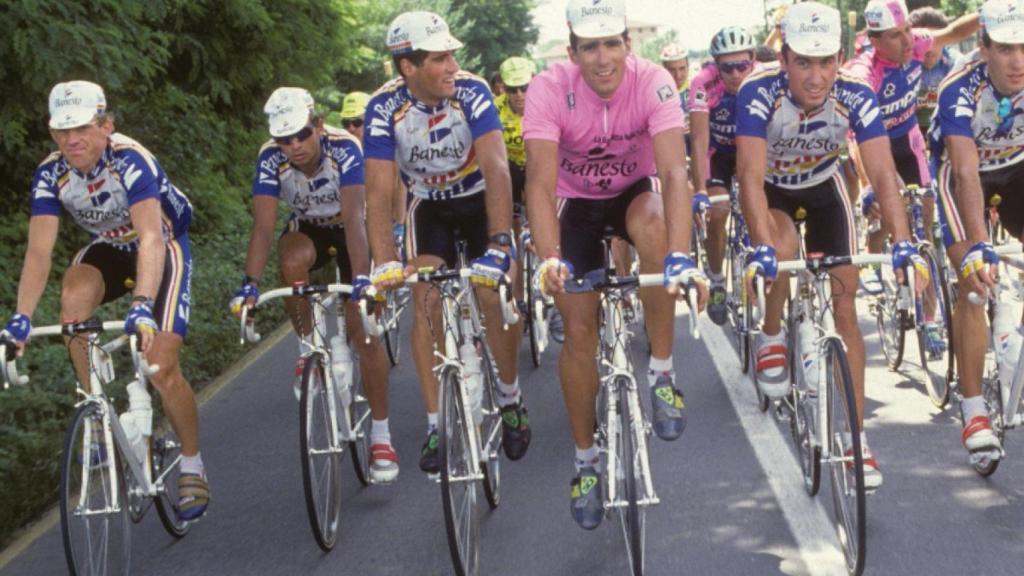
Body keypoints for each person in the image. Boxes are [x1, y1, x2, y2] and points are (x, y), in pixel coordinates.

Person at [524, 0, 707, 530]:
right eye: (590, 47)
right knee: (578, 335)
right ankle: (585, 462)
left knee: (656, 231)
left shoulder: (653, 82)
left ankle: (663, 373)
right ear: (572, 50)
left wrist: (680, 257)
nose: (603, 59)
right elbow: (538, 182)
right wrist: (548, 256)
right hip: (573, 203)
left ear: (628, 44)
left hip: (634, 192)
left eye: (612, 44)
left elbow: (675, 174)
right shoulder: (548, 88)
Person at [735, 2, 927, 491]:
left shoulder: (857, 93)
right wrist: (759, 249)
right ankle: (773, 333)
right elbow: (750, 178)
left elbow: (883, 173)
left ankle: (857, 440)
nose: (815, 77)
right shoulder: (757, 92)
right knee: (777, 251)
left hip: (824, 187)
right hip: (773, 190)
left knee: (846, 302)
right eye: (803, 62)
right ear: (785, 60)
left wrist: (903, 244)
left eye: (825, 62)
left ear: (840, 58)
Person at [0, 81, 209, 519]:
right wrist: (20, 317)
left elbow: (151, 236)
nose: (70, 140)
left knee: (160, 365)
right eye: (61, 130)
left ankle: (192, 462)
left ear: (105, 125)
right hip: (110, 248)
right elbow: (39, 251)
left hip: (162, 245)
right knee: (73, 296)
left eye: (80, 128)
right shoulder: (51, 173)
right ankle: (95, 412)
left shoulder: (130, 160)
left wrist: (141, 304)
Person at [363, 11, 531, 474]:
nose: (453, 65)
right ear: (408, 68)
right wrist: (382, 262)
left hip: (481, 201)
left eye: (453, 55)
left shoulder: (473, 91)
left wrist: (500, 243)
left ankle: (511, 396)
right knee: (428, 301)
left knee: (492, 293)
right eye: (440, 58)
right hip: (429, 207)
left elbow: (498, 168)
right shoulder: (383, 109)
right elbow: (377, 192)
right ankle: (437, 422)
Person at [230, 87, 398, 483]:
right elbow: (264, 227)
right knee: (289, 259)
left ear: (318, 125)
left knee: (363, 333)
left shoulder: (345, 148)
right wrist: (249, 285)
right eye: (284, 139)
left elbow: (357, 219)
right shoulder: (271, 159)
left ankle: (381, 435)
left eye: (302, 134)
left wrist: (361, 282)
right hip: (310, 229)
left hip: (351, 228)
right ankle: (308, 345)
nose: (294, 146)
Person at [930, 0, 1024, 462]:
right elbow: (966, 173)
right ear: (983, 47)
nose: (1018, 61)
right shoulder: (958, 89)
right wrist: (979, 247)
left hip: (1017, 167)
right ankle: (973, 412)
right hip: (962, 173)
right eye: (1006, 49)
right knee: (974, 279)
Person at [844, 0, 977, 299]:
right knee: (889, 207)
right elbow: (855, 137)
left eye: (907, 30)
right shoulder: (865, 73)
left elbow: (956, 30)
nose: (907, 40)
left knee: (924, 219)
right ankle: (873, 258)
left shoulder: (916, 43)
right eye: (895, 35)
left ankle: (929, 318)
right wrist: (868, 186)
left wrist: (991, 16)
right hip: (872, 144)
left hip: (907, 137)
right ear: (875, 40)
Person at [688, 26, 760, 325]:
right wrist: (700, 189)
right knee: (717, 211)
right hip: (716, 155)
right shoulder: (703, 83)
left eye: (742, 65)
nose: (735, 73)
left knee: (763, 205)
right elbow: (699, 141)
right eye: (727, 67)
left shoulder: (763, 77)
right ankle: (717, 280)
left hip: (751, 149)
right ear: (715, 65)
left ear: (753, 60)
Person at [909, 7, 964, 132]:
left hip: (949, 128)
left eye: (935, 40)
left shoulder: (958, 64)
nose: (928, 48)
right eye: (922, 42)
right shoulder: (900, 65)